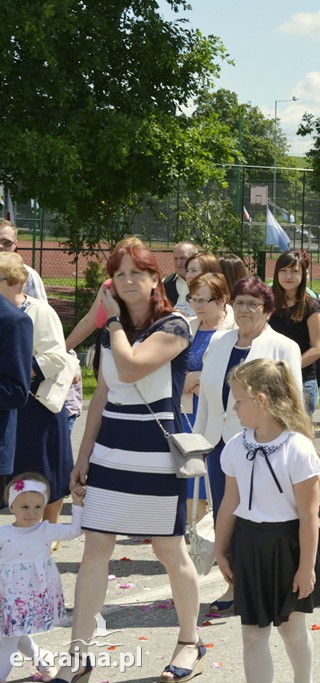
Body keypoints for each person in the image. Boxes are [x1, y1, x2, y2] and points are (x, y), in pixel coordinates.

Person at [64, 242, 202, 683]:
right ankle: (78, 652)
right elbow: (102, 395)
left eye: (136, 273)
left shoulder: (176, 323)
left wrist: (114, 322)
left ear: (154, 279)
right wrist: (82, 456)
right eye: (118, 274)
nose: (127, 282)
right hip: (110, 452)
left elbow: (131, 368)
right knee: (96, 549)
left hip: (155, 455)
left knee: (169, 550)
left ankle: (189, 641)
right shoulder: (113, 330)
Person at [214, 359, 320, 683]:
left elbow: (307, 516)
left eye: (238, 400)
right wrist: (221, 550)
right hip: (248, 544)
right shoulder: (236, 446)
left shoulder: (297, 449)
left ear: (261, 400)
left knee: (292, 630)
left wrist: (307, 569)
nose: (234, 408)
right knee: (252, 634)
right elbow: (228, 505)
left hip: (288, 545)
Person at [192, 277, 302, 613]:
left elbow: (291, 401)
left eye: (253, 304)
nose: (244, 310)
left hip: (263, 446)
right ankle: (234, 586)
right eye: (239, 302)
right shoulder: (220, 343)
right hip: (218, 444)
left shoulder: (284, 347)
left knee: (258, 518)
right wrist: (197, 443)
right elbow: (208, 400)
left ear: (268, 310)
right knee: (225, 518)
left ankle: (265, 582)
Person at [0, 253, 75, 524]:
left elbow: (57, 357)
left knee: (43, 472)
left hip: (37, 405)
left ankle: (48, 532)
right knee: (14, 475)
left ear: (17, 283)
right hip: (8, 403)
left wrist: (19, 366)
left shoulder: (39, 311)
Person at [0, 473, 84, 683]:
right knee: (13, 634)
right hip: (7, 594)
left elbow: (75, 530)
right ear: (11, 507)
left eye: (38, 507)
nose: (32, 513)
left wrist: (77, 504)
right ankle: (43, 660)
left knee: (9, 638)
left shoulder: (45, 530)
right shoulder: (3, 533)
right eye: (24, 507)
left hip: (30, 595)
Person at [182, 273, 236, 521]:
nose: (197, 306)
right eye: (193, 299)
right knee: (190, 474)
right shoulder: (186, 326)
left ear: (223, 299)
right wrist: (187, 380)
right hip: (185, 408)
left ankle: (219, 534)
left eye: (204, 300)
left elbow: (233, 370)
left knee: (217, 477)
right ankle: (197, 539)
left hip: (219, 412)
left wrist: (196, 379)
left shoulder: (234, 329)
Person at [269, 251, 320, 416]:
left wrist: (286, 368)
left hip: (301, 380)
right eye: (284, 270)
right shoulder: (267, 304)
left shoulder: (312, 305)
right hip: (270, 380)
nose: (288, 276)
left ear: (303, 275)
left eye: (294, 271)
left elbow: (318, 348)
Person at [0, 220, 46, 301]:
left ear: (15, 244)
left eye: (6, 242)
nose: (0, 246)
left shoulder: (29, 276)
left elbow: (38, 311)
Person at [175, 251, 222, 317]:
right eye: (187, 270)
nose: (188, 276)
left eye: (194, 270)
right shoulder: (181, 307)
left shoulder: (226, 310)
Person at [163, 240, 199, 307]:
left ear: (194, 258)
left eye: (183, 258)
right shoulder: (165, 283)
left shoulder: (206, 284)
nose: (178, 263)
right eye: (176, 258)